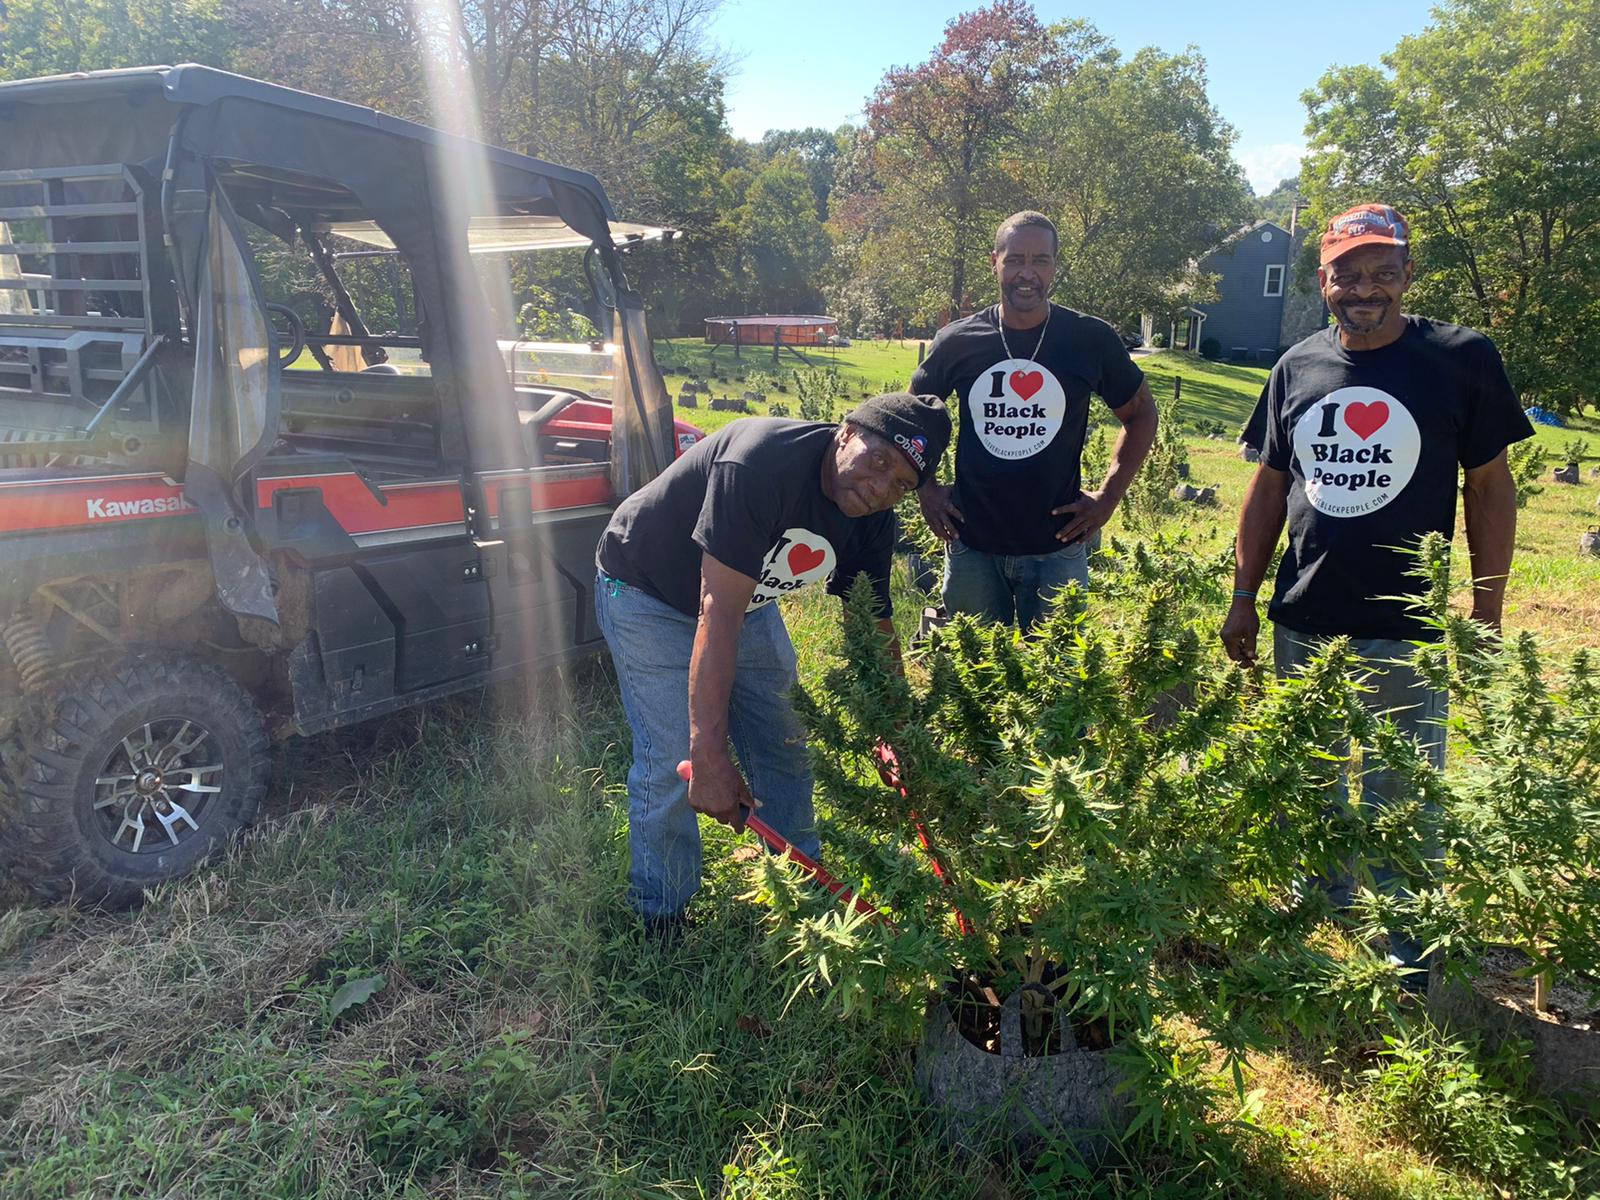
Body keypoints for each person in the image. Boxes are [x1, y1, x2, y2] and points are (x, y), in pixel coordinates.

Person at [1220, 203, 1532, 985]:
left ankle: (1405, 947)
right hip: (1303, 616)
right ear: (1323, 279)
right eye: (1347, 274)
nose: (1365, 289)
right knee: (1310, 773)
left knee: (1402, 788)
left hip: (1408, 623)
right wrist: (1244, 595)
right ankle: (1316, 902)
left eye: (1382, 273)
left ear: (1407, 275)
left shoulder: (1462, 359)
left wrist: (1484, 613)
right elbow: (1267, 490)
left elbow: (1490, 490)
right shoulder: (1297, 366)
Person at [595, 394, 952, 932]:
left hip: (748, 598)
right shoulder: (762, 462)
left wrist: (896, 730)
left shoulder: (874, 522)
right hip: (647, 589)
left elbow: (874, 630)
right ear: (846, 432)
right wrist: (709, 752)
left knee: (785, 740)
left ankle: (801, 890)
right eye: (879, 462)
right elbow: (715, 611)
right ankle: (662, 913)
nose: (882, 488)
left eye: (902, 484)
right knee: (675, 758)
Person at [911, 211, 1158, 629]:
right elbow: (909, 419)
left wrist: (1108, 497)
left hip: (1057, 547)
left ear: (1054, 266)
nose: (1027, 273)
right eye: (1015, 259)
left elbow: (1140, 414)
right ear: (995, 262)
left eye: (1040, 261)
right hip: (972, 545)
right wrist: (926, 490)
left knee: (1057, 679)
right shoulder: (957, 341)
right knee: (974, 677)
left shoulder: (1089, 339)